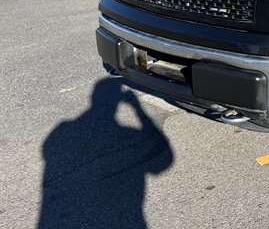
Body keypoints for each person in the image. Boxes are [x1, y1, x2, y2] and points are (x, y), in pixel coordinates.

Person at [38, 78, 173, 229]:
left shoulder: (63, 130)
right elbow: (163, 162)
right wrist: (137, 108)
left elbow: (48, 153)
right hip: (127, 217)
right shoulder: (126, 133)